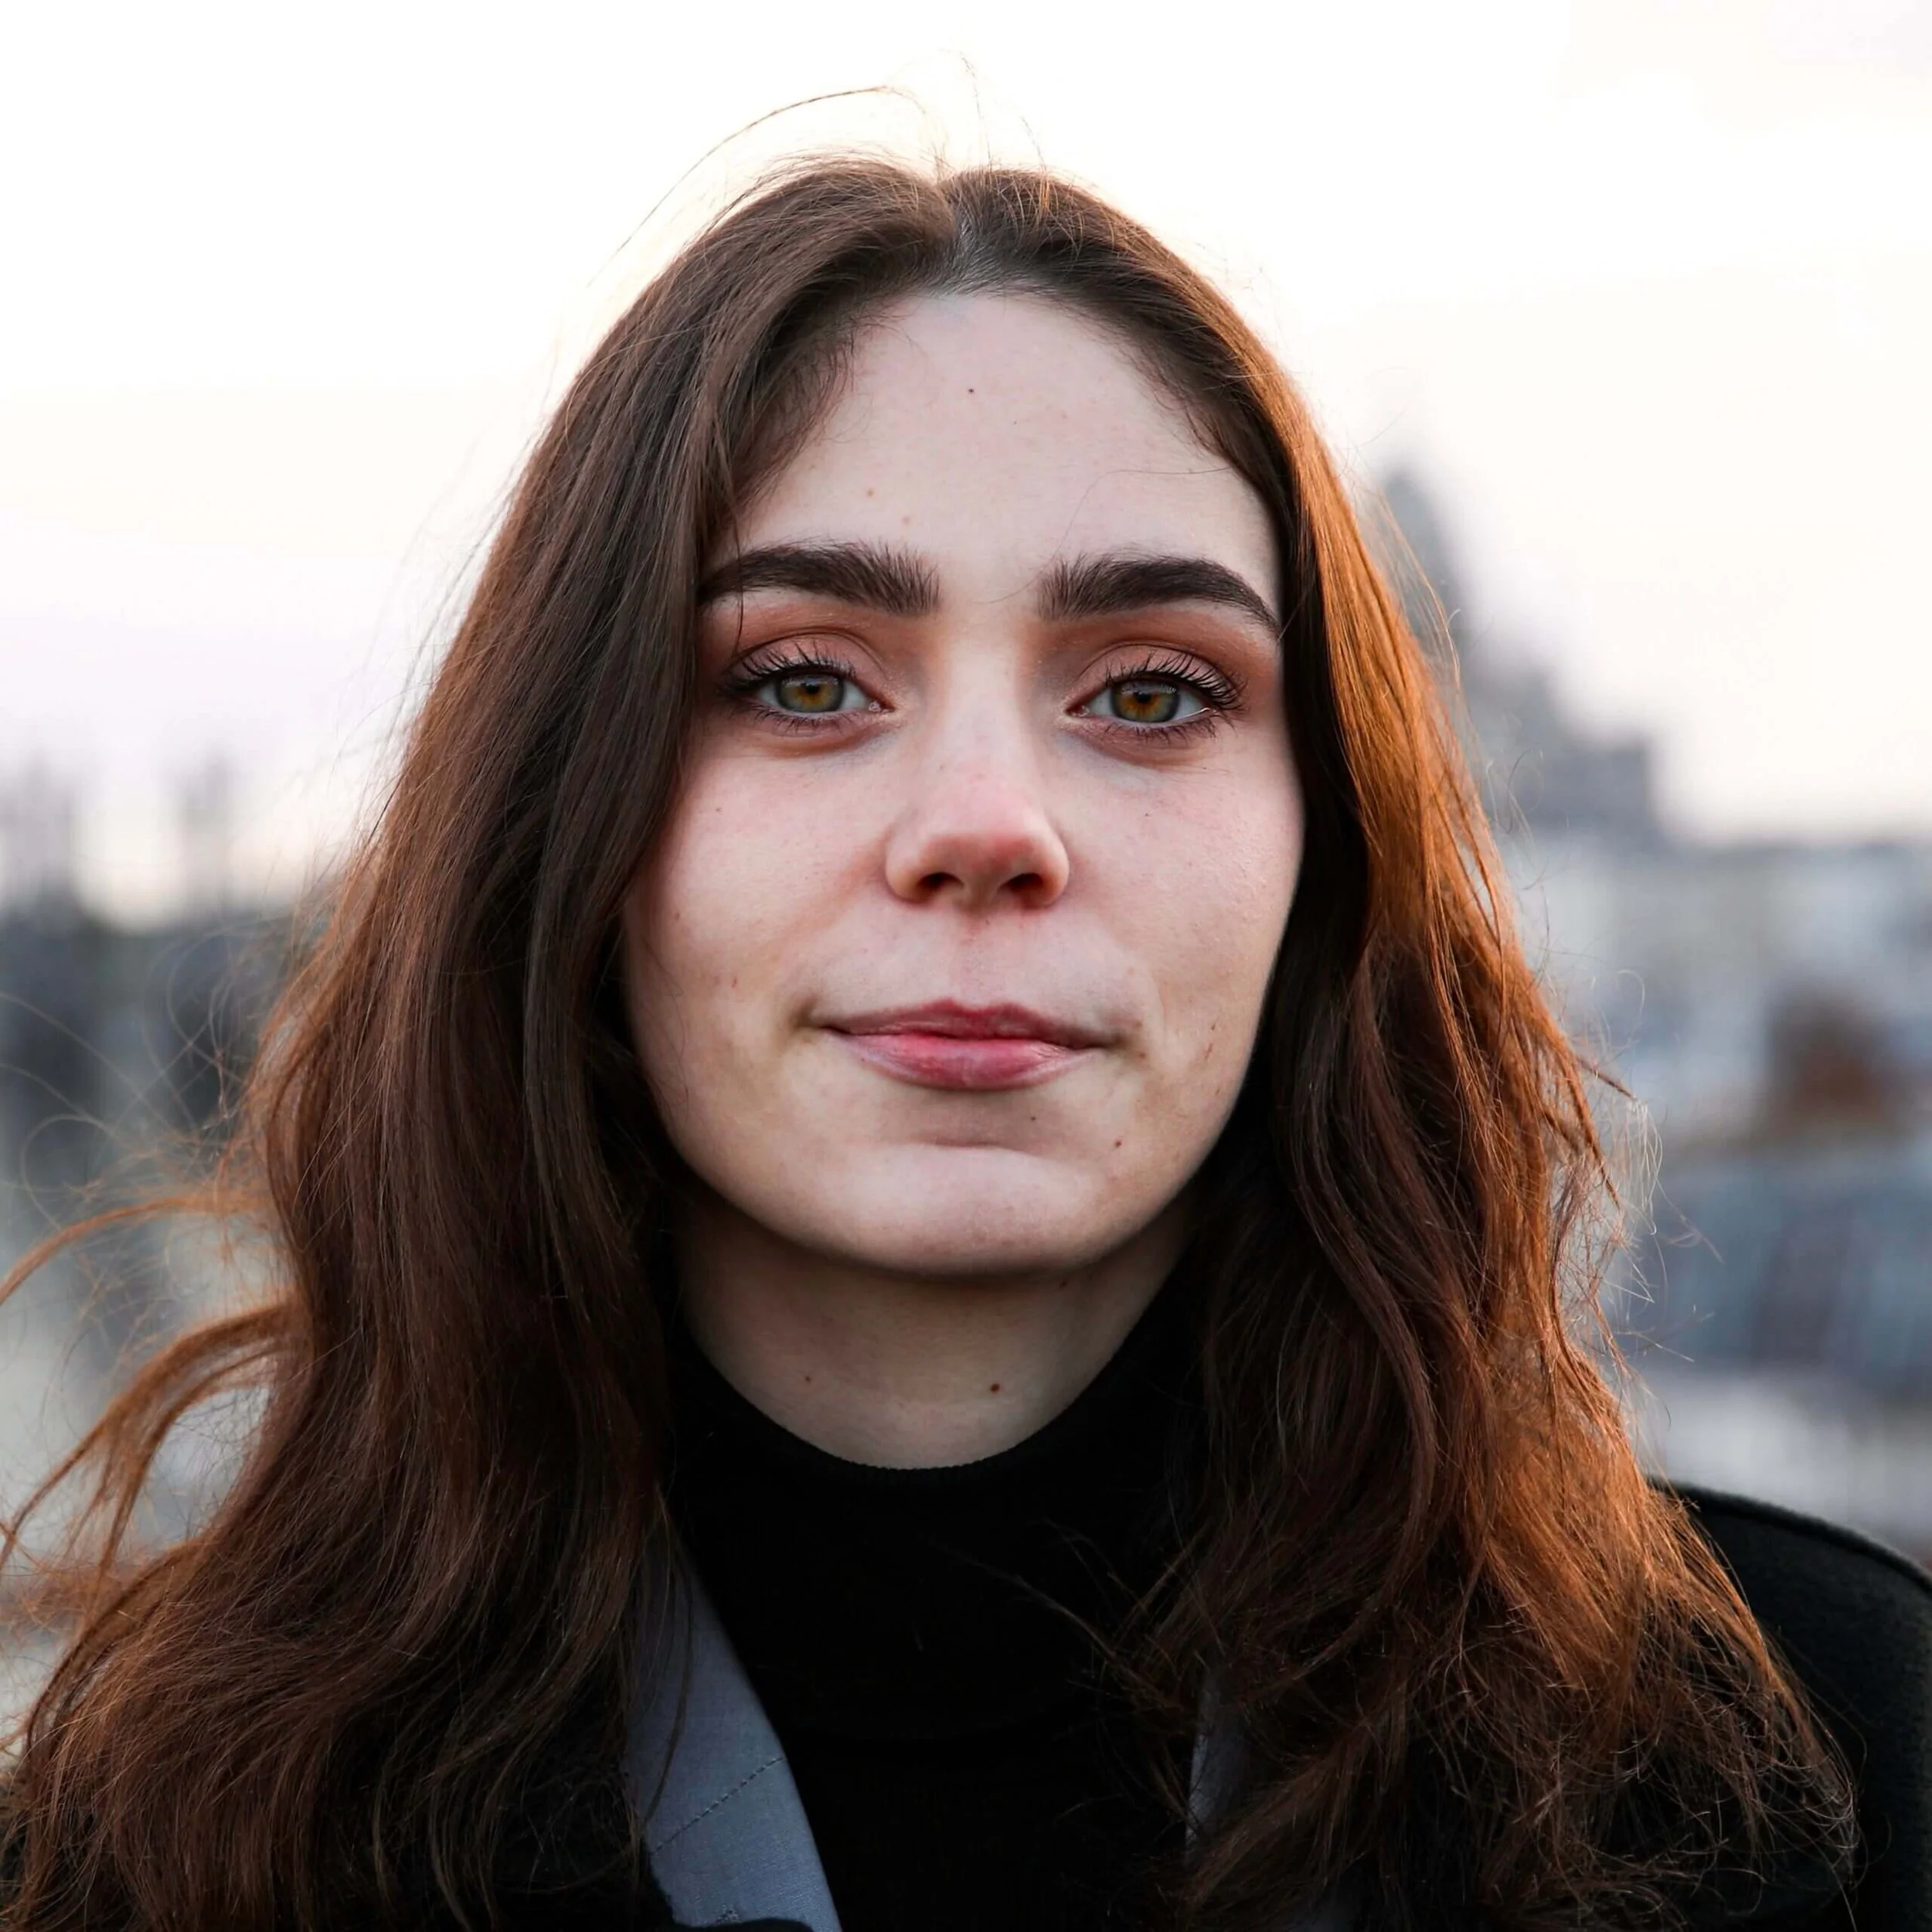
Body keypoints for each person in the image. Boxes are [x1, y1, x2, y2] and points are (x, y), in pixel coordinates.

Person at [0, 155, 1913, 1932]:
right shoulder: (150, 1858)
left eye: (1149, 693)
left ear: (1324, 849)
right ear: (562, 820)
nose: (988, 822)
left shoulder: (1815, 1779)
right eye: (800, 681)